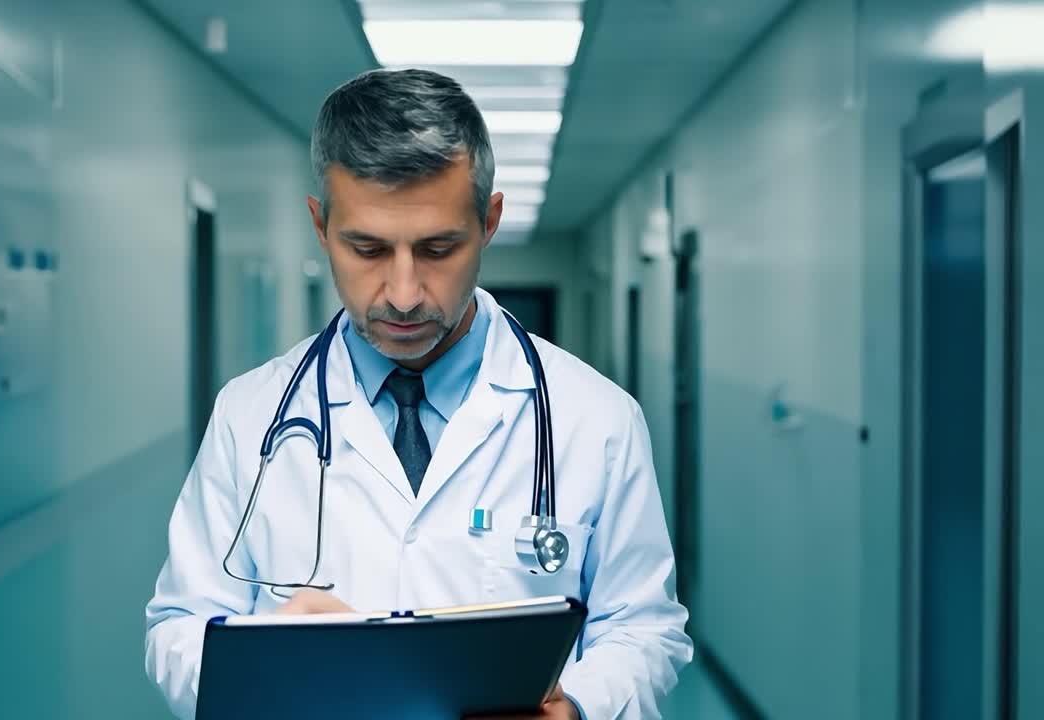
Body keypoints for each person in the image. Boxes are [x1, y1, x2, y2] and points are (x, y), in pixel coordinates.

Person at [145, 68, 692, 719]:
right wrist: (272, 662)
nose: (403, 294)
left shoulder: (595, 420)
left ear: (488, 222)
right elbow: (178, 627)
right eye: (368, 248)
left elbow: (644, 631)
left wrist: (575, 708)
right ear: (320, 226)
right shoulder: (249, 415)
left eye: (437, 248)